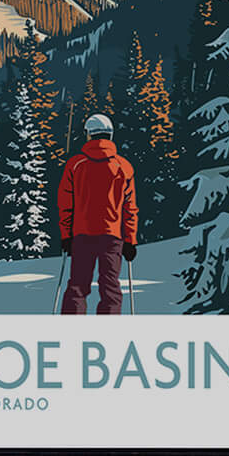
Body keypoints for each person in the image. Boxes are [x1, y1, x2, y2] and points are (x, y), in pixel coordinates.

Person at [57, 111, 137, 316]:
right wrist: (130, 240)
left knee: (77, 287)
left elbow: (66, 203)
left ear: (89, 134)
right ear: (110, 135)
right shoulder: (123, 166)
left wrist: (66, 235)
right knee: (110, 288)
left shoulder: (75, 164)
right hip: (112, 237)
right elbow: (130, 208)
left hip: (82, 235)